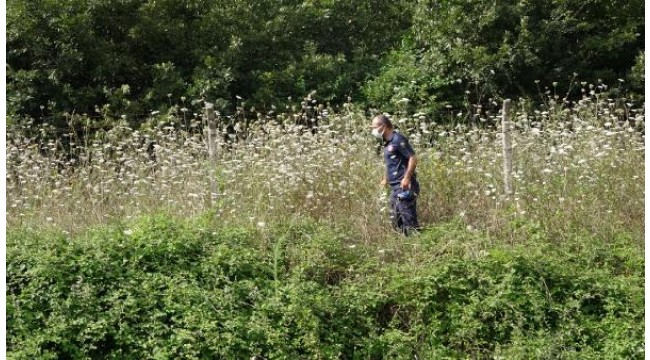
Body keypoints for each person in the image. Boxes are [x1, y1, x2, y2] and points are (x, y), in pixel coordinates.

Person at [370, 114, 420, 236]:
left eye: (374, 127)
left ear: (383, 126)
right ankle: (406, 246)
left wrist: (407, 178)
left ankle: (417, 246)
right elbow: (393, 163)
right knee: (396, 220)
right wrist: (386, 179)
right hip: (395, 187)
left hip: (404, 186)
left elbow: (412, 158)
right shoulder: (387, 143)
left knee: (408, 220)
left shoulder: (398, 140)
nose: (373, 130)